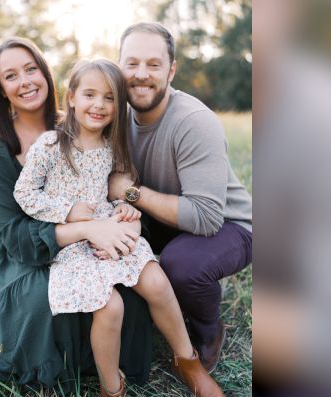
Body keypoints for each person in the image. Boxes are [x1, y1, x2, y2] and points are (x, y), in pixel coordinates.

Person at [0, 38, 153, 396]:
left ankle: (112, 366)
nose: (25, 81)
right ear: (1, 90)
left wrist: (123, 214)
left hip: (91, 237)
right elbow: (15, 234)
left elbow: (112, 180)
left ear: (46, 74)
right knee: (41, 302)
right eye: (11, 76)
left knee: (128, 284)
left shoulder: (80, 123)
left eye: (31, 69)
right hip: (25, 251)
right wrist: (88, 230)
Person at [14, 59, 226, 397]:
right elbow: (24, 193)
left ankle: (189, 363)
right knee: (109, 307)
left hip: (111, 232)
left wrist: (126, 210)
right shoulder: (50, 145)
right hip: (73, 243)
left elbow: (115, 194)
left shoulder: (113, 147)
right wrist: (67, 211)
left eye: (109, 98)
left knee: (157, 282)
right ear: (71, 97)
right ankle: (112, 391)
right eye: (90, 94)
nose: (99, 104)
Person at [108, 22, 253, 377]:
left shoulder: (194, 121)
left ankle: (208, 332)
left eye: (154, 64)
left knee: (183, 265)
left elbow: (205, 218)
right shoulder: (113, 115)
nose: (141, 74)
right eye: (132, 63)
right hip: (161, 218)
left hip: (228, 224)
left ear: (171, 70)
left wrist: (130, 193)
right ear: (119, 66)